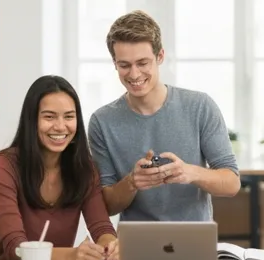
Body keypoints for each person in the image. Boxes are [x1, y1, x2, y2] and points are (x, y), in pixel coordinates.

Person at [89, 10, 239, 222]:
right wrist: (132, 182)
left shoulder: (199, 106)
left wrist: (189, 172)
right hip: (135, 245)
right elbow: (107, 206)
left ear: (160, 57)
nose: (134, 74)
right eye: (124, 65)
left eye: (142, 63)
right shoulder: (101, 122)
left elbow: (232, 183)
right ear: (115, 63)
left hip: (192, 242)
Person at [0, 76, 119, 260]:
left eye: (69, 117)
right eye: (49, 117)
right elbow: (15, 248)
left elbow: (101, 227)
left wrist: (110, 245)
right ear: (32, 121)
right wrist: (70, 256)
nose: (61, 127)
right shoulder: (3, 166)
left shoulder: (85, 168)